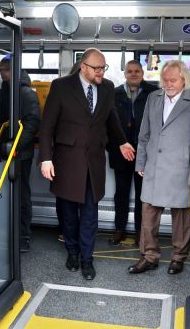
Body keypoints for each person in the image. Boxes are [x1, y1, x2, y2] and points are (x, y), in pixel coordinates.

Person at [39, 48, 135, 280]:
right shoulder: (61, 87)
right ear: (83, 67)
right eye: (97, 68)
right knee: (69, 213)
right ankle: (72, 252)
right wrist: (45, 158)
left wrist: (122, 141)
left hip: (94, 162)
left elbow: (111, 117)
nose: (101, 72)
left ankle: (86, 259)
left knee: (90, 213)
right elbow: (47, 126)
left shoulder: (108, 87)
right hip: (67, 161)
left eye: (104, 68)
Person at [128, 60, 190, 275]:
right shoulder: (154, 98)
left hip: (182, 168)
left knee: (182, 219)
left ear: (184, 80)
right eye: (165, 80)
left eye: (173, 80)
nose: (167, 84)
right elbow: (144, 135)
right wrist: (140, 162)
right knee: (148, 216)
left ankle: (178, 257)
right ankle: (149, 256)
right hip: (154, 166)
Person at [0, 58, 41, 253]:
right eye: (0, 70)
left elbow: (33, 121)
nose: (3, 73)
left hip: (19, 152)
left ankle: (23, 235)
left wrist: (15, 145)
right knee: (2, 193)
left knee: (21, 194)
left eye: (6, 70)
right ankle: (5, 231)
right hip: (0, 150)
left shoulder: (27, 93)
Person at [108, 60, 158, 245]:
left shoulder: (153, 93)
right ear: (125, 73)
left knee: (141, 195)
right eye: (130, 71)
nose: (133, 74)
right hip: (120, 151)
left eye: (137, 71)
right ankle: (119, 229)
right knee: (120, 192)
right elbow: (108, 123)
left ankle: (140, 232)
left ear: (142, 72)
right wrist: (112, 145)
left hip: (144, 152)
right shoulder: (115, 94)